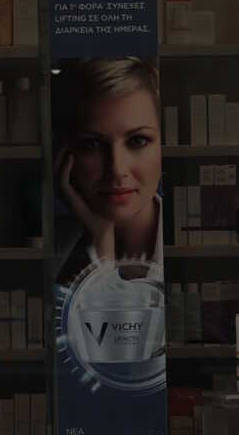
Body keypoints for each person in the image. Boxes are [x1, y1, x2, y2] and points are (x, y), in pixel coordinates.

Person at [53, 56, 165, 287]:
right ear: (65, 154)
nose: (116, 170)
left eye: (138, 141)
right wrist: (101, 238)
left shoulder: (186, 238)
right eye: (92, 144)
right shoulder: (53, 250)